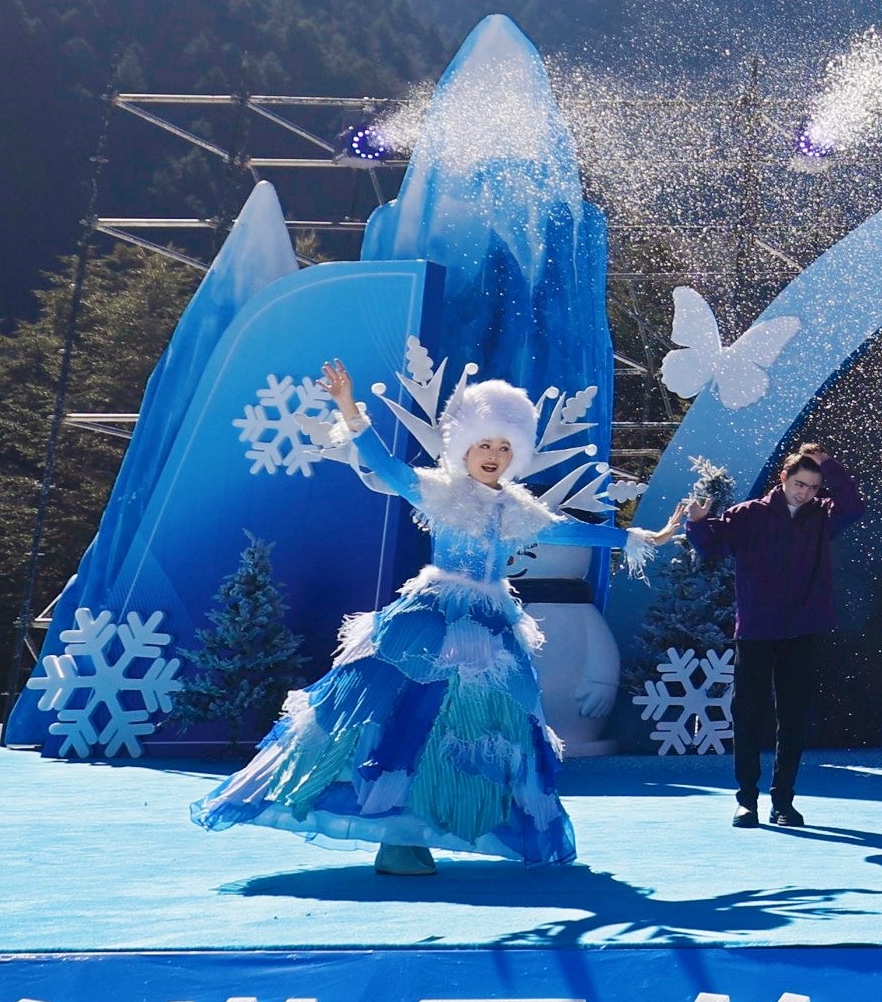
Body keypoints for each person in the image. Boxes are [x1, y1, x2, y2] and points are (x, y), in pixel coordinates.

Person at [197, 357, 633, 873]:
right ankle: (396, 837)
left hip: (492, 626)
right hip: (432, 617)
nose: (493, 455)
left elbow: (570, 530)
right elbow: (386, 467)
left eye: (504, 447)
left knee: (479, 730)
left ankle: (433, 824)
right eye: (484, 444)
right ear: (463, 446)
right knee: (410, 716)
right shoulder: (440, 490)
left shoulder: (519, 508)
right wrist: (348, 408)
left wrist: (635, 537)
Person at [681, 440, 870, 829]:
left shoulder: (823, 515)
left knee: (794, 717)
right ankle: (746, 800)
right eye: (799, 484)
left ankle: (783, 801)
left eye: (813, 487)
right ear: (783, 478)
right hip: (756, 629)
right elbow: (710, 546)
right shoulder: (749, 514)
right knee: (748, 714)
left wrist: (827, 463)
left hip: (802, 629)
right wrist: (697, 523)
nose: (805, 493)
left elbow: (853, 506)